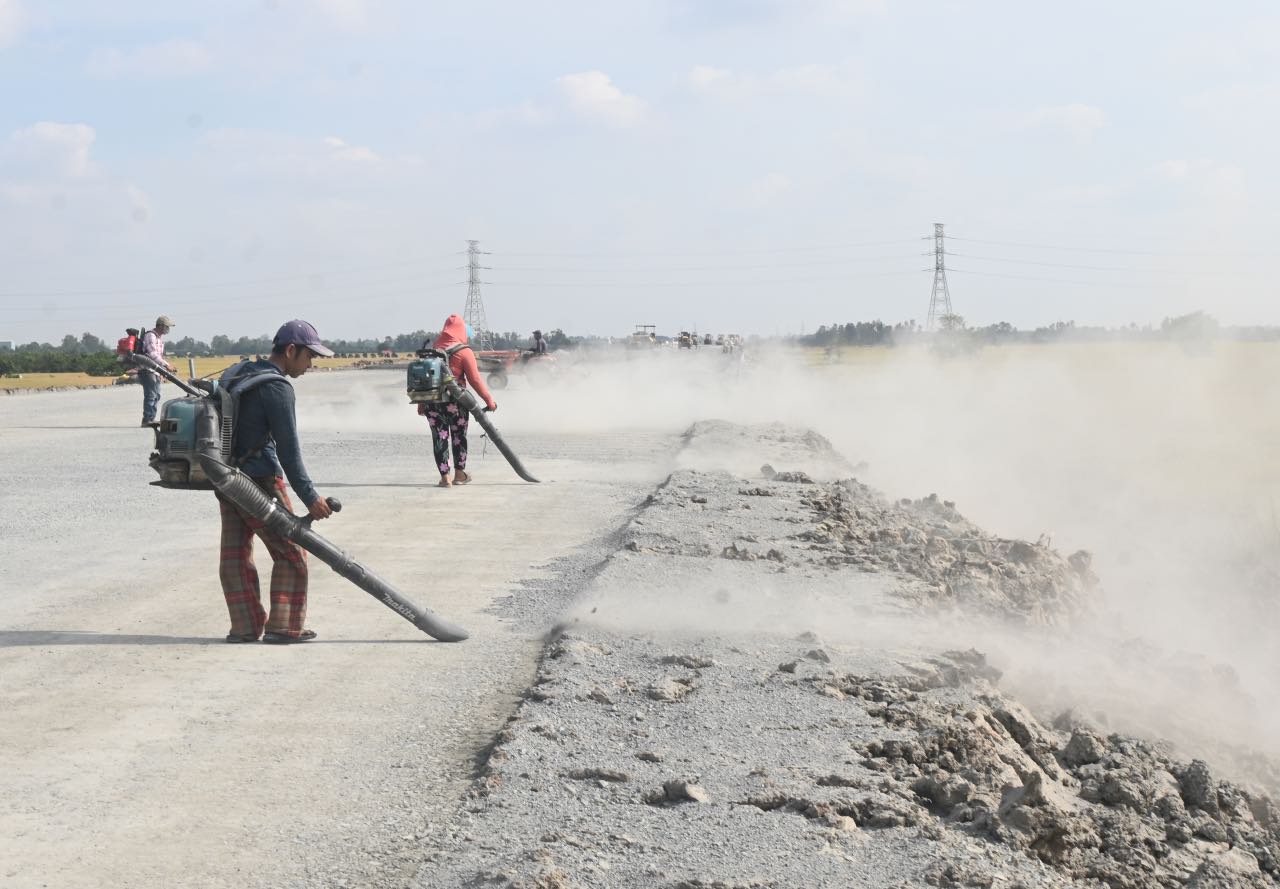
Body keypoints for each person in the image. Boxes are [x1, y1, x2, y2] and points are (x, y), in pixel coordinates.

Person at [218, 319, 335, 644]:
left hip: (226, 477)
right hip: (261, 479)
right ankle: (284, 626)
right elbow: (288, 448)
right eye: (309, 356)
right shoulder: (277, 387)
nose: (311, 364)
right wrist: (310, 497)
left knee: (234, 555)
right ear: (290, 350)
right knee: (292, 551)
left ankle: (245, 626)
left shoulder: (239, 372)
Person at [417, 314, 497, 488]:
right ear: (461, 330)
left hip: (433, 402)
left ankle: (445, 477)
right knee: (458, 437)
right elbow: (475, 380)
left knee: (439, 437)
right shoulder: (464, 351)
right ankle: (460, 475)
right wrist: (489, 400)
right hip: (457, 403)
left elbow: (423, 379)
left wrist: (421, 403)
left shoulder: (432, 350)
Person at [138, 315, 176, 427]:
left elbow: (159, 356)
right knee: (151, 395)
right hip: (147, 369)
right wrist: (166, 365)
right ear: (160, 326)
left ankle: (151, 419)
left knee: (157, 395)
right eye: (167, 327)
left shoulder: (159, 338)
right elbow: (152, 354)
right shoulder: (151, 336)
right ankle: (147, 420)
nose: (168, 329)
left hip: (155, 370)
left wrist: (163, 371)